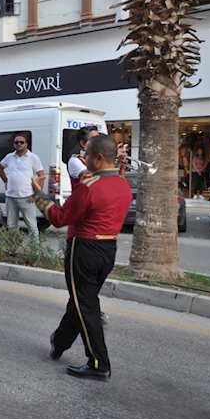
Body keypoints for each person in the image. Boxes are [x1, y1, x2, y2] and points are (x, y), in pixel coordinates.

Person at [32, 134, 132, 381]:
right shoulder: (123, 184)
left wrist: (39, 197)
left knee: (85, 305)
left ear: (99, 158)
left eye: (86, 155)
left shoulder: (90, 187)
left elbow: (59, 218)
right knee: (80, 301)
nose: (83, 159)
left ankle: (99, 362)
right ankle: (60, 342)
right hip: (108, 249)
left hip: (84, 248)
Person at [0, 133, 45, 242]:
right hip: (10, 196)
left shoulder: (33, 157)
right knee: (11, 225)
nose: (19, 144)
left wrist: (36, 194)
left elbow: (41, 176)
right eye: (16, 142)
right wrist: (6, 181)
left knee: (31, 225)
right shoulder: (10, 157)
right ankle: (13, 248)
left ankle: (35, 250)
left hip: (26, 197)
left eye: (21, 142)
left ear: (26, 144)